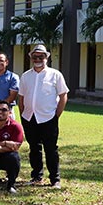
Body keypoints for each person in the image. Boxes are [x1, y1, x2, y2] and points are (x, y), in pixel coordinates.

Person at [18, 44, 69, 187]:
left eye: (41, 56)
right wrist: (23, 114)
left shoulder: (55, 74)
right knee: (34, 149)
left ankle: (55, 179)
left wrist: (56, 115)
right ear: (31, 58)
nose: (38, 59)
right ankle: (36, 177)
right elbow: (21, 98)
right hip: (29, 117)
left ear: (47, 57)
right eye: (35, 57)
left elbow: (63, 95)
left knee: (51, 149)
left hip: (48, 118)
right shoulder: (26, 76)